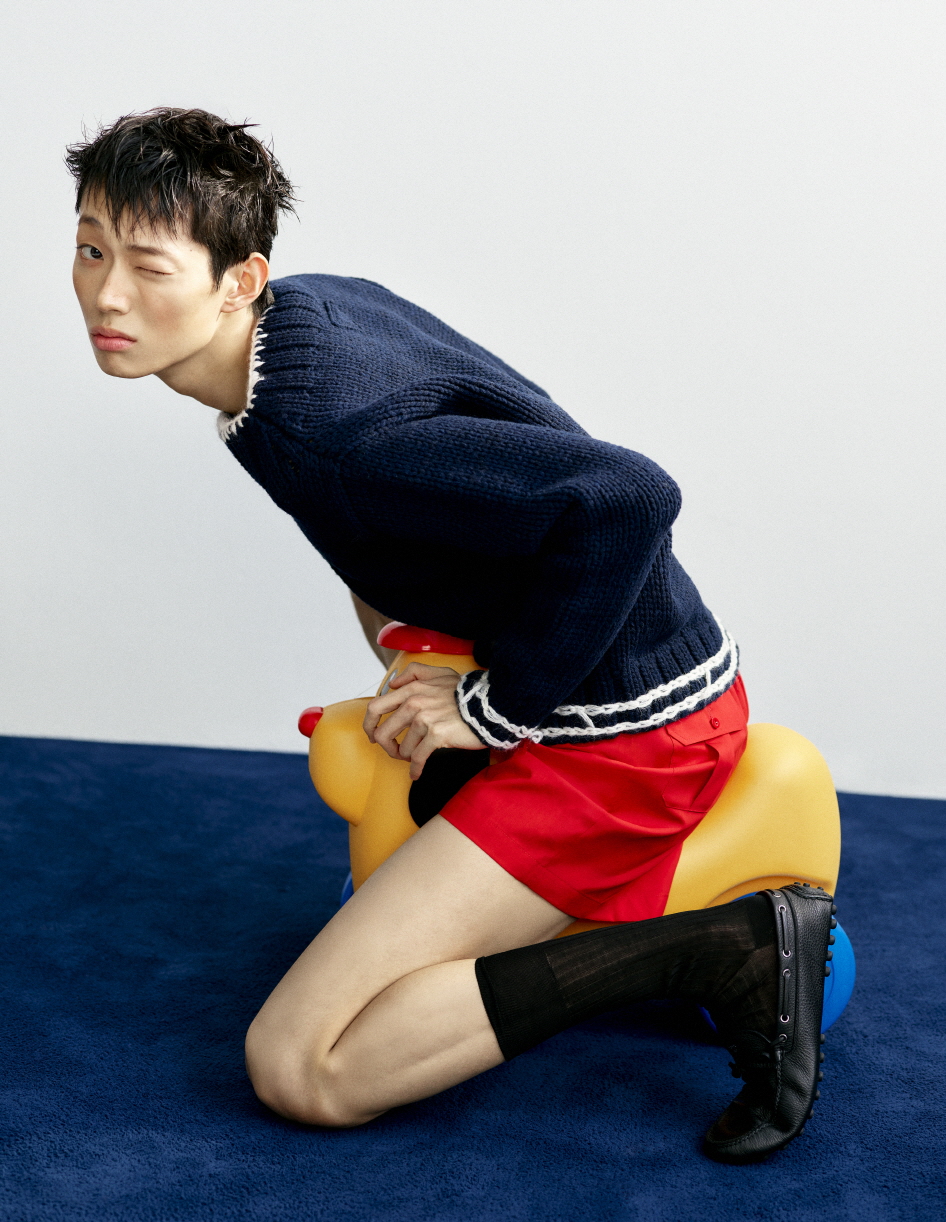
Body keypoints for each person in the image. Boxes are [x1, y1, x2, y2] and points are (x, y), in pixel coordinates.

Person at [67, 107, 834, 1163]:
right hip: (597, 687)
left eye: (149, 266)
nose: (107, 294)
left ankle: (721, 951)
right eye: (91, 249)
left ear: (239, 280)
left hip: (624, 744)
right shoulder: (297, 323)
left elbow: (628, 497)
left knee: (299, 1068)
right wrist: (416, 656)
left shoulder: (337, 430)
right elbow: (461, 477)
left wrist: (498, 706)